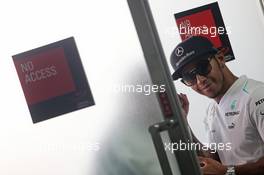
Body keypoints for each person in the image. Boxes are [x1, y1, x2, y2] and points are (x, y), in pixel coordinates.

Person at [170, 36, 264, 175]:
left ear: (220, 59)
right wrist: (184, 122)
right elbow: (213, 159)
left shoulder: (257, 95)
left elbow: (223, 170)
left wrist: (228, 172)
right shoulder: (211, 111)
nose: (200, 80)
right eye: (190, 77)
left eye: (203, 67)